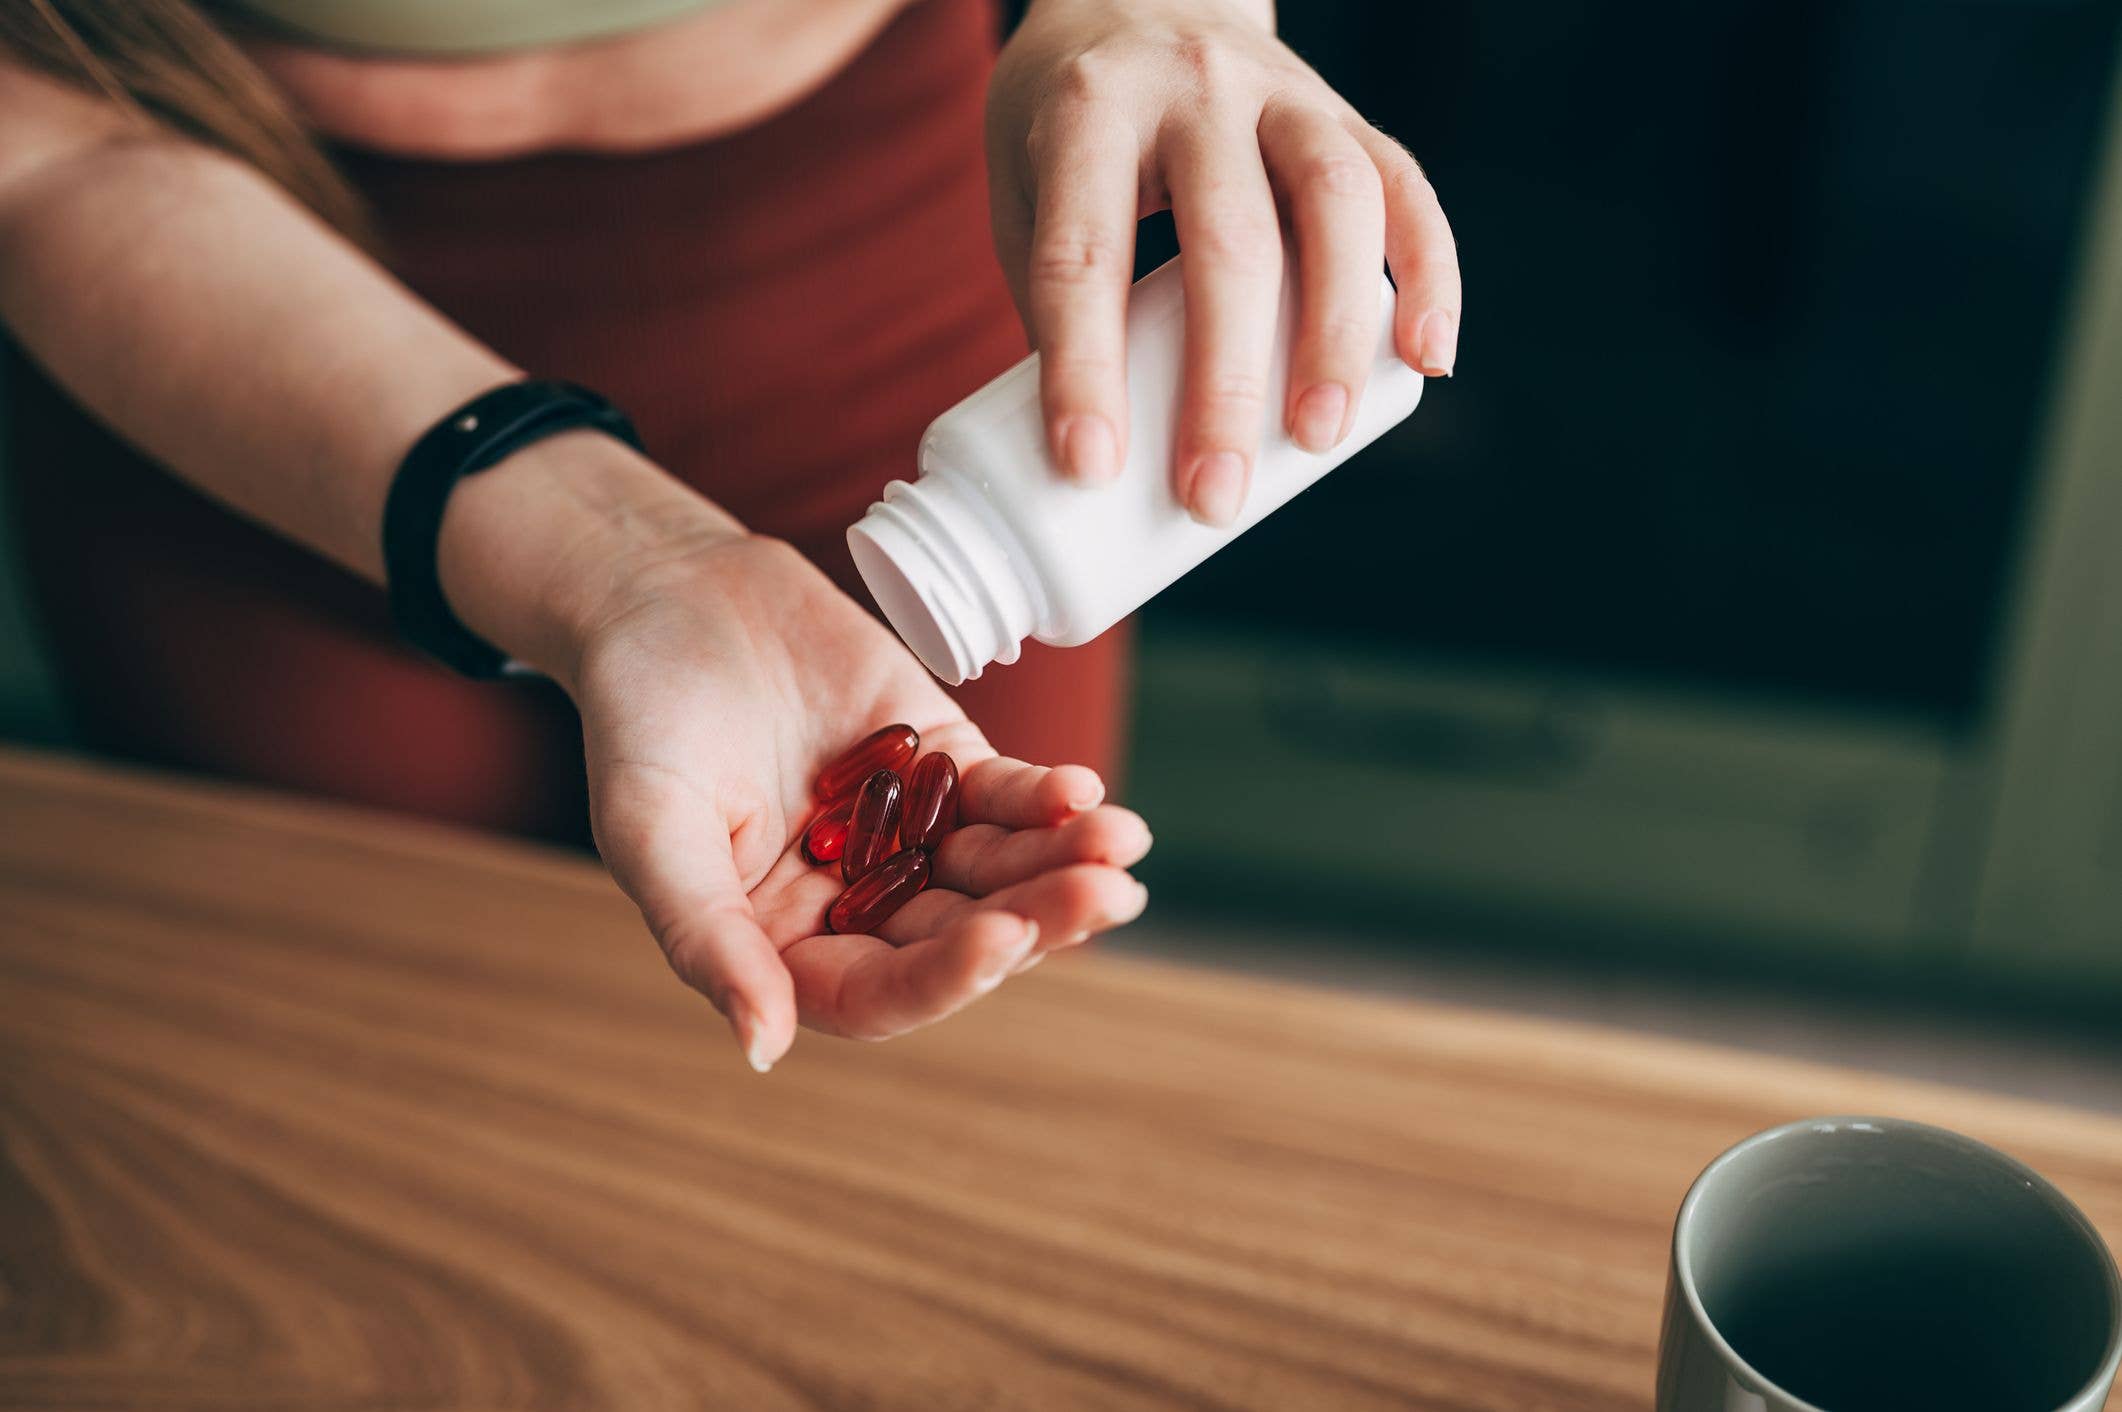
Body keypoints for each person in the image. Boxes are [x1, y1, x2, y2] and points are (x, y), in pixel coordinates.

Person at [0, 0, 1460, 1070]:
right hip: (228, 331)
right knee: (365, 1043)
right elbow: (36, 148)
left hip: (893, 223)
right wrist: (623, 559)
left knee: (931, 1031)